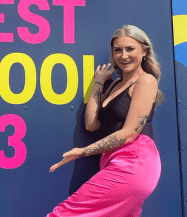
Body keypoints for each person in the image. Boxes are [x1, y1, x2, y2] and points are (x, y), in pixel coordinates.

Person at [47, 24, 164, 217]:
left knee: (66, 213)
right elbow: (92, 124)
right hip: (113, 160)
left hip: (134, 161)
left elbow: (129, 134)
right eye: (118, 50)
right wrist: (98, 82)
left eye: (130, 49)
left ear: (144, 51)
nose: (123, 55)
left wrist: (83, 151)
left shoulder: (146, 81)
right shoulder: (115, 85)